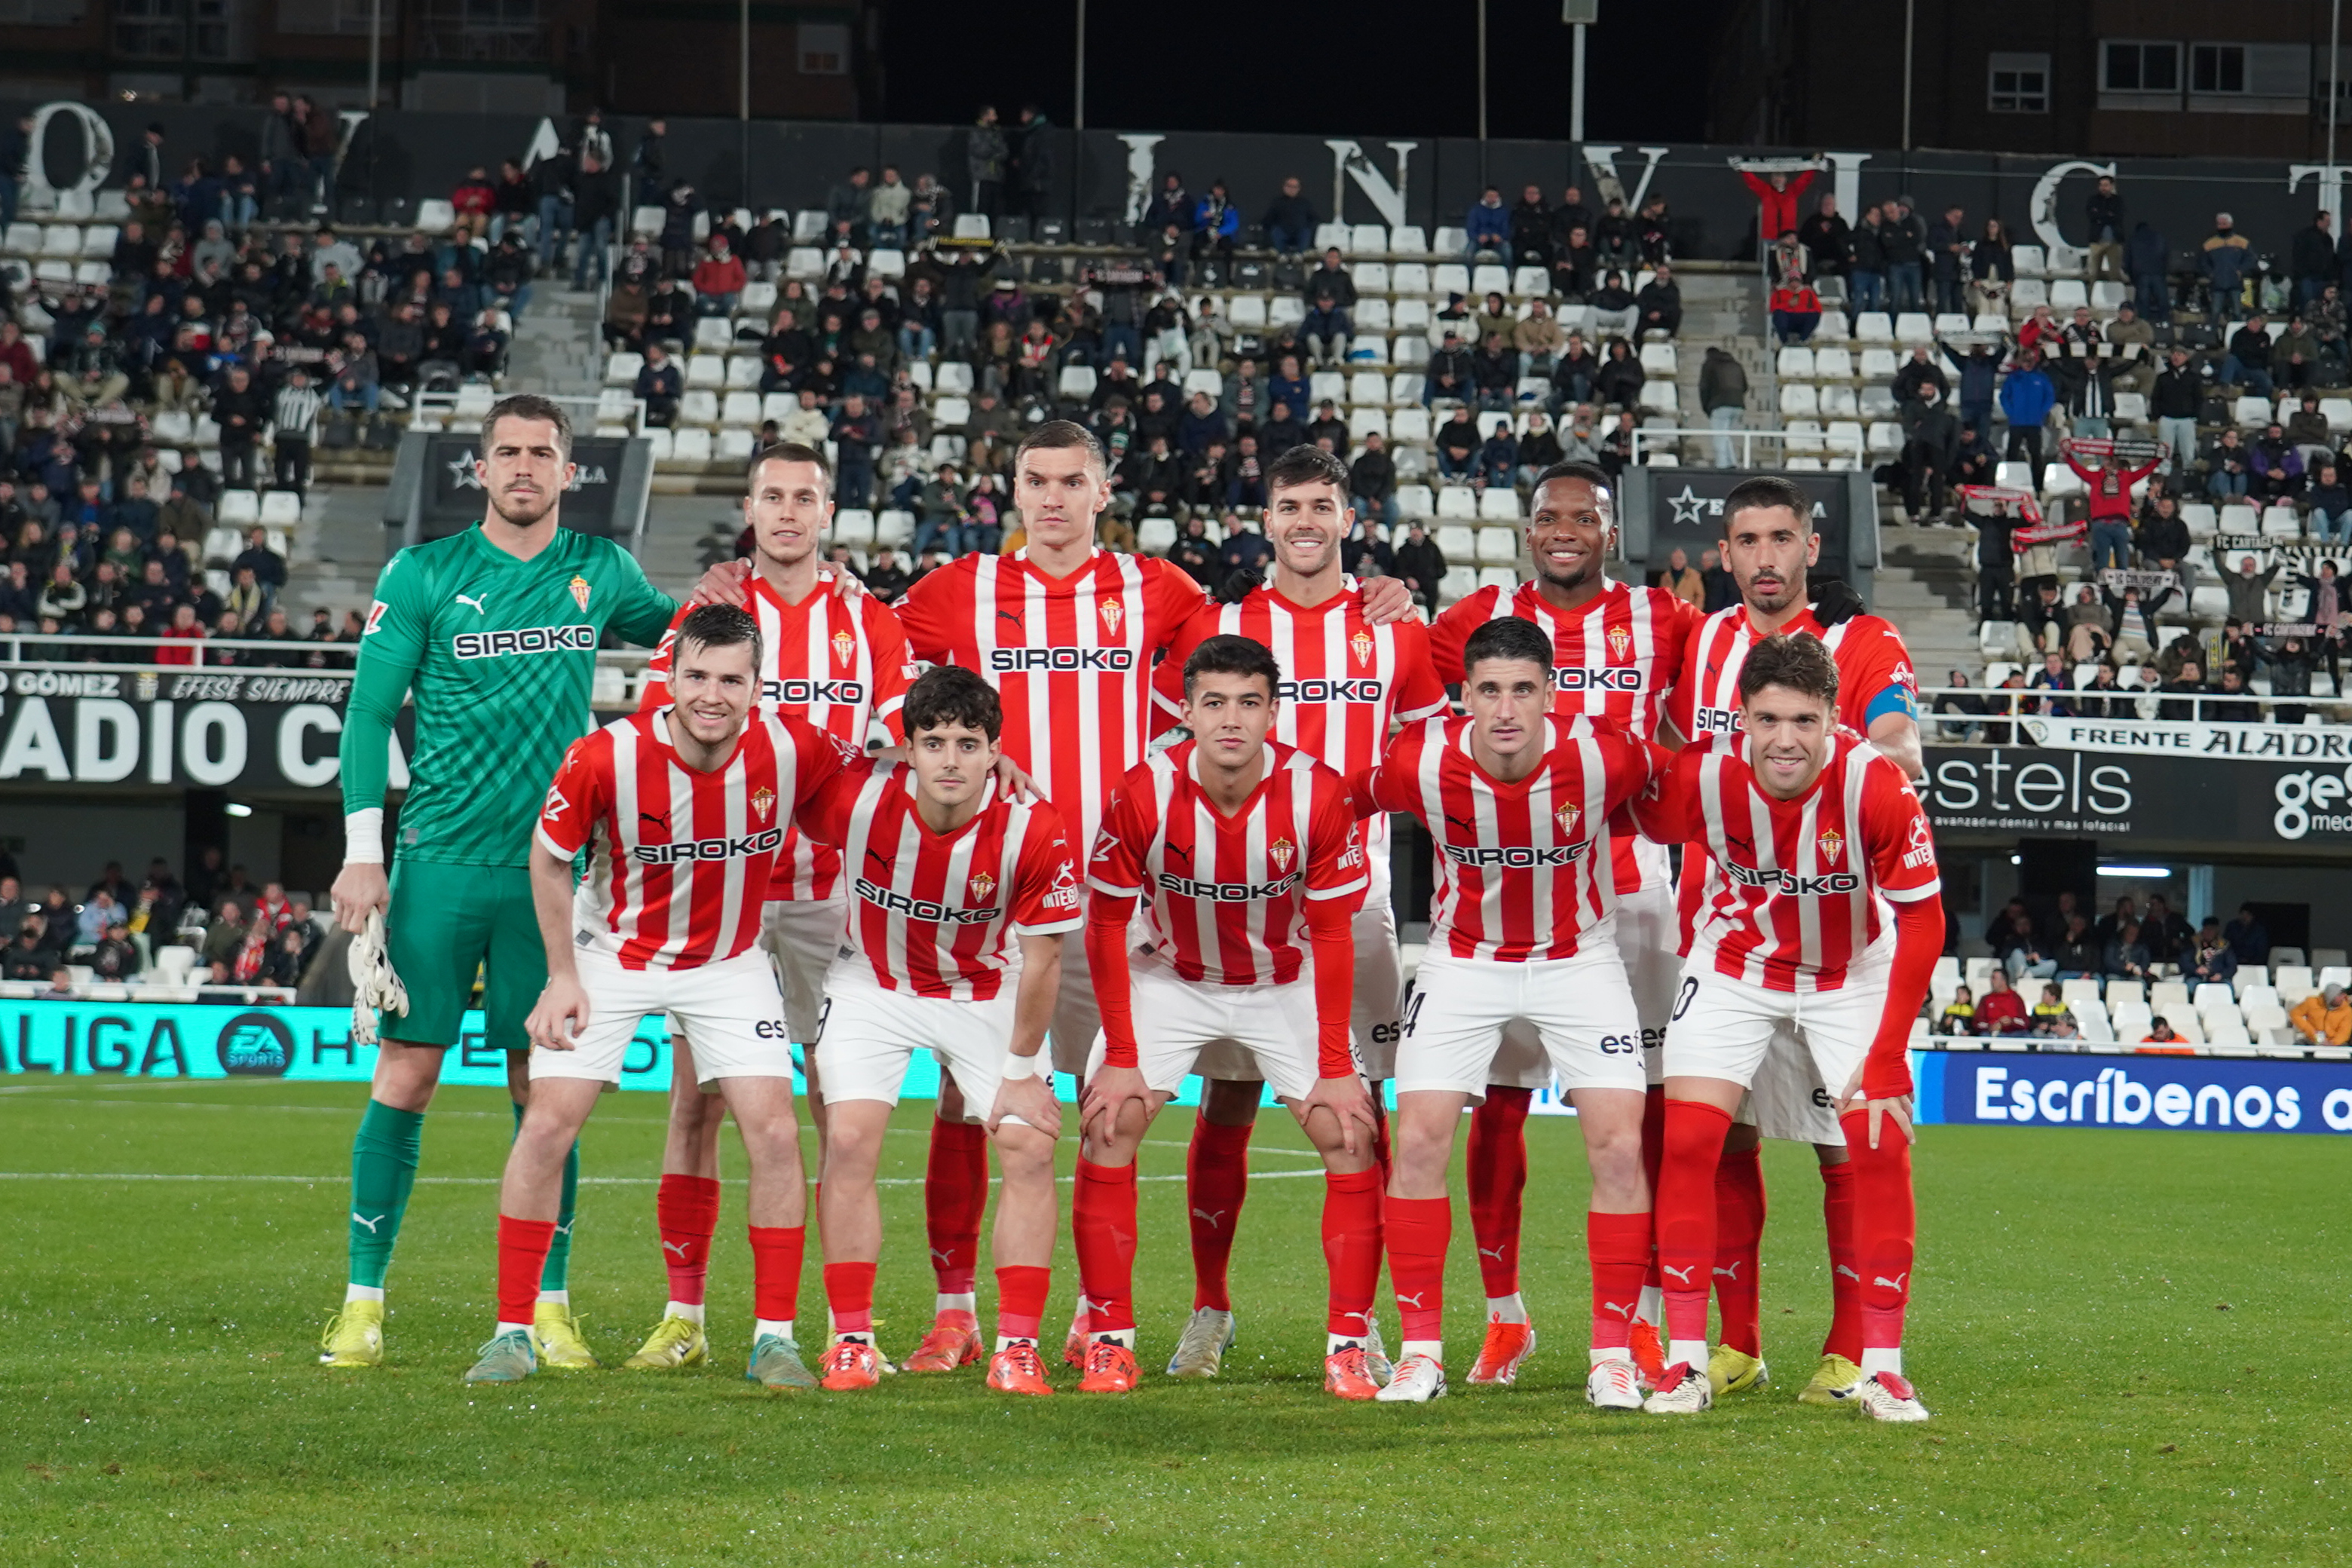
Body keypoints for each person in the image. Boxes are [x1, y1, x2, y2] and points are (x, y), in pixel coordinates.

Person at [895, 421, 1415, 1364]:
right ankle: (956, 1310)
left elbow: (1245, 659)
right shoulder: (955, 591)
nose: (1052, 499)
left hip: (1136, 900)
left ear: (1106, 492)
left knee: (1124, 1105)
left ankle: (1114, 1313)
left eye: (1072, 482)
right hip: (1000, 890)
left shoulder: (1163, 593)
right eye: (1035, 481)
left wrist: (1384, 590)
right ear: (1011, 490)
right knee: (973, 1104)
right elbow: (871, 656)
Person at [320, 397, 714, 1372]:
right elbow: (370, 714)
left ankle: (548, 1306)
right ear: (481, 470)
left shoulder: (600, 570)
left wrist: (772, 593)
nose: (526, 467)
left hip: (554, 874)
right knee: (407, 1073)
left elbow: (699, 645)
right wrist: (363, 850)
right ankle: (363, 1301)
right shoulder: (425, 573)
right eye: (508, 453)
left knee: (546, 1092)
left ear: (569, 471)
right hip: (441, 866)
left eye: (544, 453)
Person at [462, 606, 836, 1389]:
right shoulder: (607, 756)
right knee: (546, 1125)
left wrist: (987, 763)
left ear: (757, 686)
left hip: (730, 962)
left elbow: (883, 789)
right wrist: (562, 974)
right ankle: (510, 1332)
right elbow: (548, 856)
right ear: (669, 678)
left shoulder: (795, 747)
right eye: (697, 675)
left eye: (731, 679)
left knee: (773, 1132)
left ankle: (774, 1338)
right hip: (617, 956)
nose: (712, 694)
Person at [617, 443, 923, 1374]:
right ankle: (684, 1314)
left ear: (828, 508)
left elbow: (898, 752)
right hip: (726, 891)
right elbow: (654, 733)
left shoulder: (870, 623)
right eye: (771, 496)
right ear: (749, 506)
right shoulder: (706, 615)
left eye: (805, 496)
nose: (787, 512)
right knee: (695, 1102)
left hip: (834, 898)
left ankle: (842, 1322)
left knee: (839, 1106)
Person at [1145, 447, 1450, 1379]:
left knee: (1363, 1107)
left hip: (1352, 902)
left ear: (1350, 518)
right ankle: (1209, 1308)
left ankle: (1357, 1323)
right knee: (1228, 1099)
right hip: (1229, 903)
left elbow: (1429, 749)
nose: (1306, 520)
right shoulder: (1222, 622)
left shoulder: (1393, 630)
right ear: (1266, 518)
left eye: (1324, 504)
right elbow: (1172, 734)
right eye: (1289, 506)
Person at [1426, 462, 1705, 1386]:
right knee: (1497, 1105)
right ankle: (1505, 1315)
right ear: (1527, 528)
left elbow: (1703, 722)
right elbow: (1410, 711)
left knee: (1646, 1112)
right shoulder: (1471, 624)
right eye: (1548, 516)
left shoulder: (1665, 620)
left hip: (1631, 896)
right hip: (1507, 898)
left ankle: (1643, 1319)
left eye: (1584, 517)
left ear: (1610, 531)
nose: (1564, 530)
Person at [1343, 616, 1661, 1409]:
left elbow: (1686, 795)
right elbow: (1335, 800)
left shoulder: (1603, 753)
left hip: (1579, 960)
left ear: (1551, 694)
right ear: (1465, 697)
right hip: (1462, 962)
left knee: (1620, 1150)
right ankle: (1421, 1354)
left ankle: (1612, 1355)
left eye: (1524, 689)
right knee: (1415, 1142)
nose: (1507, 708)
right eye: (1490, 690)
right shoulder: (1421, 761)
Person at [1661, 476, 1923, 1404]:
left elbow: (1899, 743)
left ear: (1812, 548)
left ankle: (1854, 1348)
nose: (1766, 557)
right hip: (1721, 937)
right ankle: (1734, 1345)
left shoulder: (1860, 640)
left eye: (1783, 538)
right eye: (1747, 540)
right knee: (1721, 1138)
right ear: (1723, 555)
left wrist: (1850, 756)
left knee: (1840, 1145)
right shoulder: (1702, 642)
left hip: (1833, 944)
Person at [1074, 634, 1381, 1398]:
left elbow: (1337, 933)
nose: (1231, 720)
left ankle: (1348, 1339)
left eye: (1249, 702)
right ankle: (1110, 1336)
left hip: (1287, 976)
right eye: (1214, 703)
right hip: (1173, 974)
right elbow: (1106, 925)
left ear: (1275, 712)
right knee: (1109, 1119)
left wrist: (1339, 1071)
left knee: (1349, 1132)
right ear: (1186, 712)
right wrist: (1118, 1050)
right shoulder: (1141, 790)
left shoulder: (1320, 791)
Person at [793, 666, 1079, 1395]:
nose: (950, 759)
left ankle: (1017, 1345)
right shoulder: (855, 797)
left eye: (968, 743)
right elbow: (782, 745)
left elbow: (1044, 962)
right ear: (907, 751)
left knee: (1027, 1144)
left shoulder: (1035, 827)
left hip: (985, 988)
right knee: (849, 1137)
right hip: (872, 984)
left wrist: (1020, 1069)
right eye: (933, 743)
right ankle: (851, 1338)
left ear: (996, 752)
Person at [2291, 982, 2352, 1046]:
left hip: (2335, 1044)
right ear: (2330, 998)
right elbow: (2295, 1014)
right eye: (2339, 995)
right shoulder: (2311, 1002)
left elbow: (2344, 1033)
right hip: (2312, 1040)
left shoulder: (2348, 1011)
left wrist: (2333, 1043)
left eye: (2343, 994)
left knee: (2346, 1049)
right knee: (2298, 1046)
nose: (2343, 997)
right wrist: (2311, 1032)